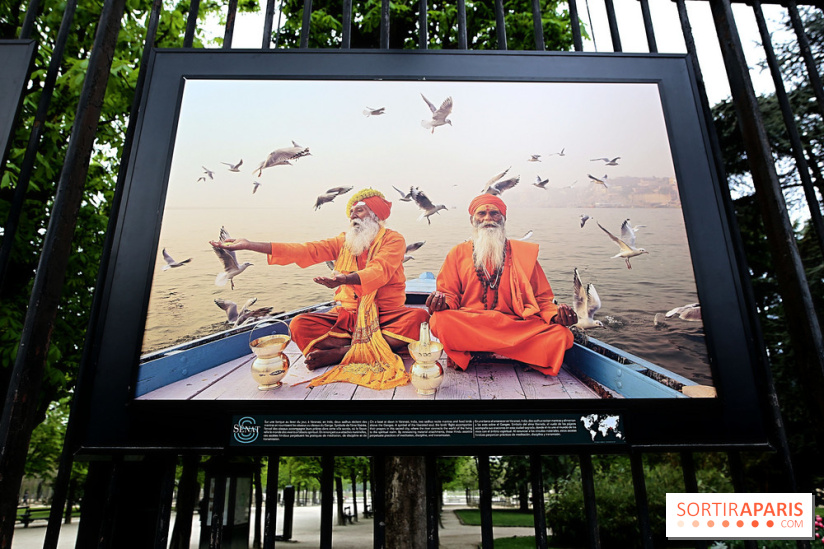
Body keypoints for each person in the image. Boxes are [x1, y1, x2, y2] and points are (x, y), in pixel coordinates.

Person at [210, 188, 428, 390]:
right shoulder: (343, 242)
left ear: (375, 214)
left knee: (419, 319)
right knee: (299, 324)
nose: (352, 216)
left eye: (359, 210)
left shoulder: (393, 240)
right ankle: (366, 347)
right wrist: (249, 245)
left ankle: (343, 352)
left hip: (385, 315)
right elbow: (305, 250)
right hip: (347, 316)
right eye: (351, 212)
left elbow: (379, 270)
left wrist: (346, 279)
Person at [425, 194, 577, 376]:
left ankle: (477, 351)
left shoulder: (523, 254)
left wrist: (556, 315)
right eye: (482, 213)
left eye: (494, 213)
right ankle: (516, 354)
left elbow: (542, 299)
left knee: (562, 335)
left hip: (514, 325)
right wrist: (442, 303)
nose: (488, 219)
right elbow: (449, 293)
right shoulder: (457, 253)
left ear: (503, 219)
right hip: (472, 322)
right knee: (439, 321)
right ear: (472, 220)